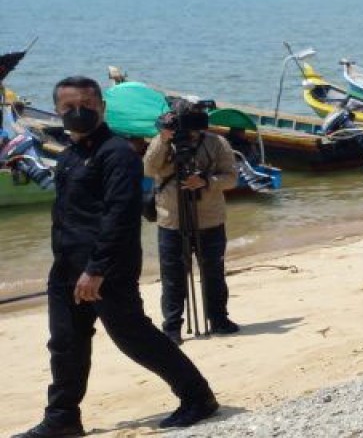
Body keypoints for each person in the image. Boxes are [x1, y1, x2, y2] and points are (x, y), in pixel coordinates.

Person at [15, 77, 217, 438]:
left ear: (102, 108)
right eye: (68, 107)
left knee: (133, 337)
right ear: (57, 110)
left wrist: (96, 269)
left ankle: (197, 397)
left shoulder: (117, 154)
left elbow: (120, 216)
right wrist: (68, 265)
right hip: (66, 265)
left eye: (87, 105)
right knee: (65, 343)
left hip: (107, 268)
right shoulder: (69, 155)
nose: (78, 112)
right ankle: (62, 418)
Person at [142, 103, 240, 343]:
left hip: (210, 220)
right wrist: (163, 140)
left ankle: (219, 320)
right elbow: (149, 169)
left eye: (194, 128)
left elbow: (231, 178)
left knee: (213, 274)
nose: (190, 134)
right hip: (171, 221)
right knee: (172, 278)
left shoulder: (216, 143)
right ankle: (172, 327)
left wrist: (206, 181)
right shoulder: (162, 142)